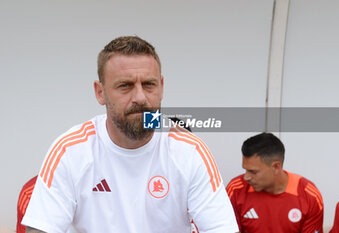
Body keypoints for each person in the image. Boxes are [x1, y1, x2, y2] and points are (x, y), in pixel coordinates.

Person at [22, 36, 239, 233]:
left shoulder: (190, 151)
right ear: (100, 92)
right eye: (125, 86)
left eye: (149, 84)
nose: (140, 98)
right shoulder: (70, 150)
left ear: (161, 87)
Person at [226, 132, 323, 233]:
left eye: (253, 172)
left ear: (276, 167)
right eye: (245, 170)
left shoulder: (309, 196)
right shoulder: (236, 189)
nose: (246, 177)